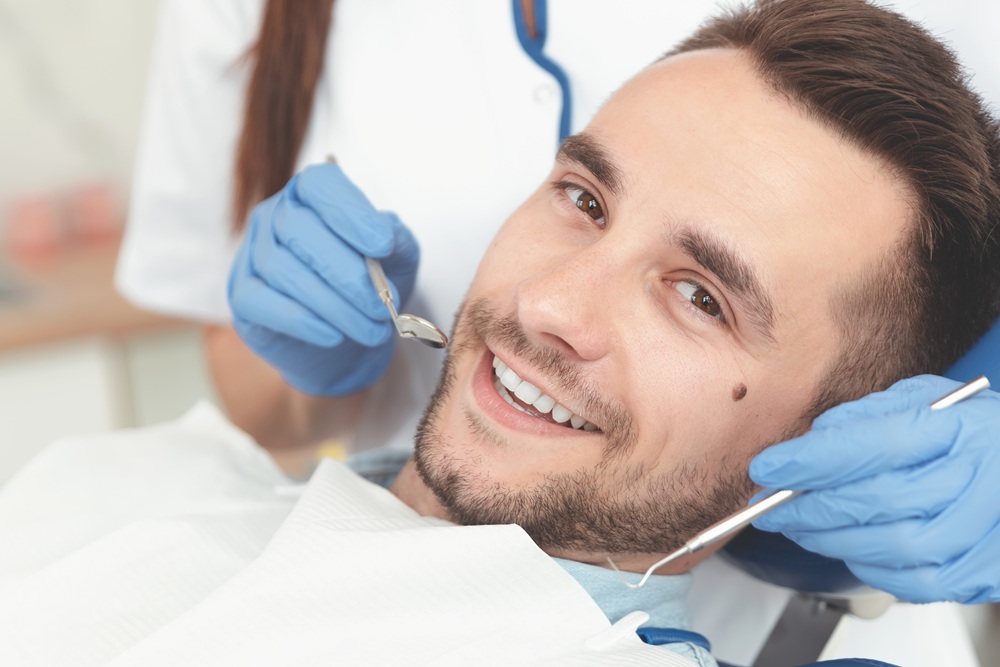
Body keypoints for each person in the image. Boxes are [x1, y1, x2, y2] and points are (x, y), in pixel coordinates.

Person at [8, 1, 999, 664]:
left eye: (701, 297)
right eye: (584, 198)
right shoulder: (107, 495)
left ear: (836, 431)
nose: (546, 304)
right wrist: (300, 365)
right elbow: (249, 385)